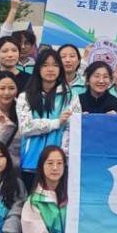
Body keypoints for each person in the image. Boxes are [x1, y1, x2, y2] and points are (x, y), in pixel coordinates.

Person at [16, 49, 79, 187]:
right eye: (45, 65)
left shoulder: (71, 96)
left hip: (59, 165)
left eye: (55, 65)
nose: (50, 69)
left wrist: (64, 158)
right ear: (38, 68)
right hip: (31, 163)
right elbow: (25, 127)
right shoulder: (25, 96)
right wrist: (56, 122)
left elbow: (73, 130)